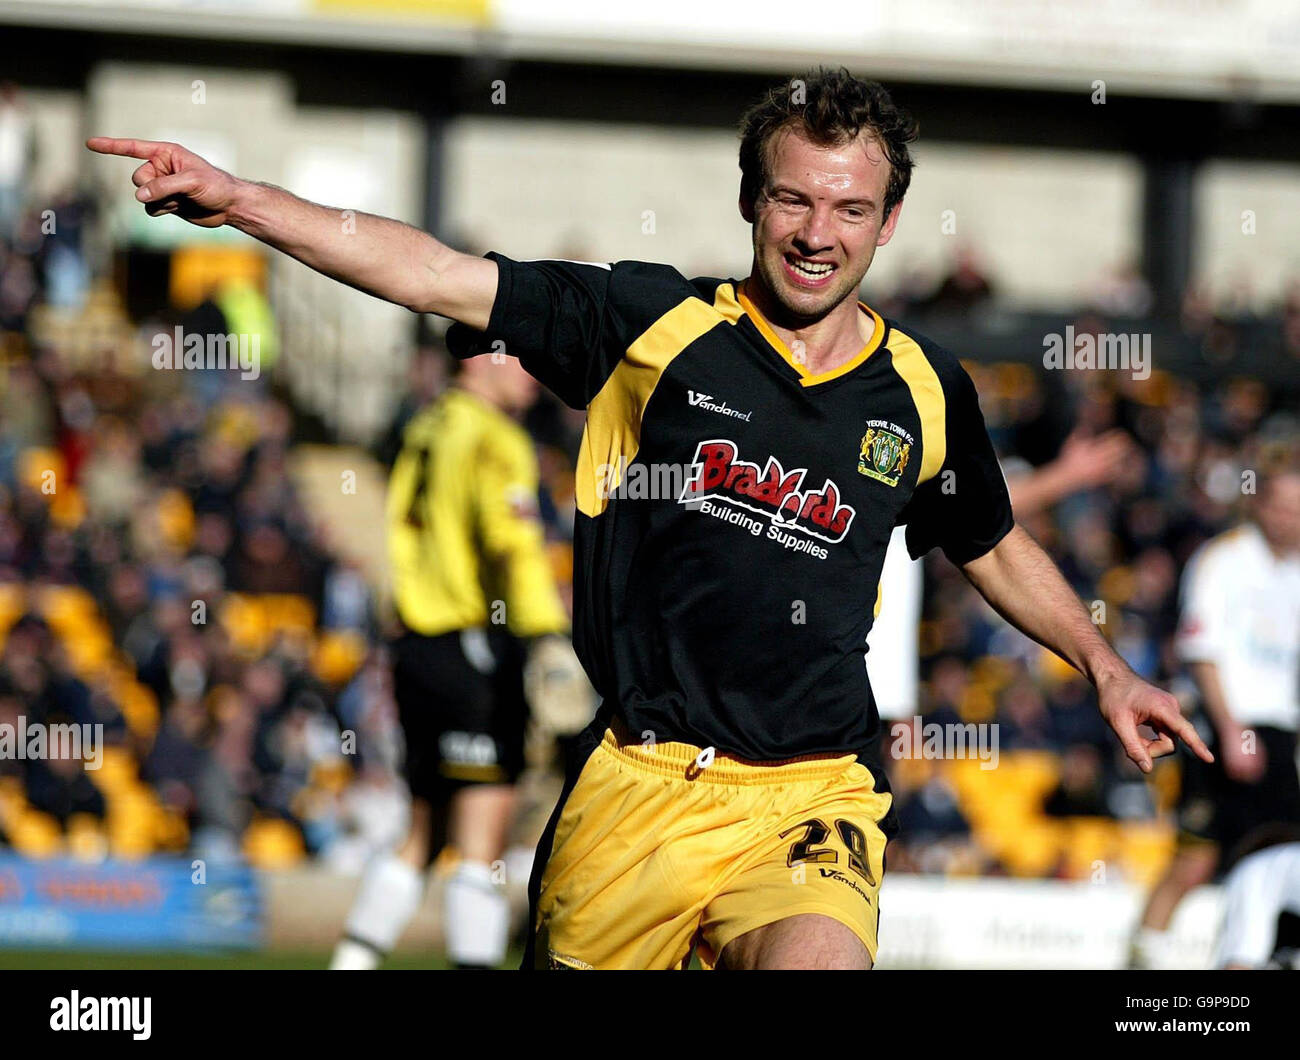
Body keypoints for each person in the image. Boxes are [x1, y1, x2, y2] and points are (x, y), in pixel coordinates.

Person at [90, 65, 1210, 970]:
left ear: (891, 220)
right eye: (793, 197)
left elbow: (989, 541)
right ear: (748, 198)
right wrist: (240, 202)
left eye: (850, 207)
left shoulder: (922, 389)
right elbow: (434, 274)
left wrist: (1103, 666)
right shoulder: (648, 324)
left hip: (811, 787)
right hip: (636, 785)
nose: (818, 232)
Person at [329, 352, 587, 969]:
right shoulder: (493, 438)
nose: (535, 375)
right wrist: (549, 635)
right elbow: (511, 543)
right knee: (480, 842)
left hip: (417, 647)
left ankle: (350, 964)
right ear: (483, 359)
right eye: (524, 361)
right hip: (474, 643)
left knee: (422, 836)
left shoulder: (426, 426)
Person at [1130, 470, 1300, 969]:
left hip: (1280, 734)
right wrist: (1231, 730)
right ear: (1259, 504)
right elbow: (1201, 650)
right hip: (1222, 726)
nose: (1291, 516)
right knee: (1196, 860)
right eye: (1283, 504)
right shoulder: (1223, 560)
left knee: (1280, 857)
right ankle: (1145, 960)